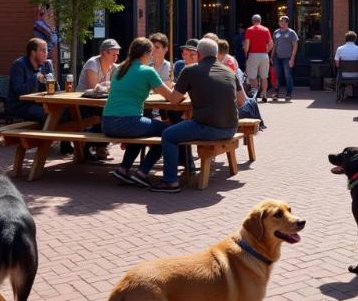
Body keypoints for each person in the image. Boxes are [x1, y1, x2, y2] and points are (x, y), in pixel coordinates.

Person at [151, 38, 246, 193]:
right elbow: (242, 102)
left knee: (168, 135)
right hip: (231, 127)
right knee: (180, 129)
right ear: (216, 54)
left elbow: (174, 100)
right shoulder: (229, 72)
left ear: (198, 54)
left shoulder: (190, 70)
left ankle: (170, 181)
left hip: (208, 126)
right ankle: (187, 167)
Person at [103, 37, 176, 187]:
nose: (152, 56)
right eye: (151, 53)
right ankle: (142, 172)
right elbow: (170, 97)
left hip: (107, 123)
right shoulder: (148, 71)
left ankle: (123, 169)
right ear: (145, 54)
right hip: (128, 122)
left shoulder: (120, 68)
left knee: (143, 131)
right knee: (168, 133)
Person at [76, 38, 121, 161]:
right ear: (103, 53)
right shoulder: (93, 63)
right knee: (107, 116)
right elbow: (93, 87)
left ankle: (100, 148)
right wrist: (108, 85)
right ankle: (88, 147)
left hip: (99, 103)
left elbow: (115, 86)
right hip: (82, 103)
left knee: (112, 115)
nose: (116, 56)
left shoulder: (113, 67)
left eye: (117, 53)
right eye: (113, 53)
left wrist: (106, 85)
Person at [6, 38, 54, 123]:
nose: (46, 53)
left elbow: (54, 90)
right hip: (21, 105)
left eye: (47, 50)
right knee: (50, 116)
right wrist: (35, 78)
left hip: (40, 103)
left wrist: (53, 80)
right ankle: (44, 135)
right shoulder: (19, 65)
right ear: (33, 52)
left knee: (63, 112)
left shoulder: (46, 65)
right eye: (43, 50)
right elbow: (19, 91)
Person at [243, 14, 273, 102]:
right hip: (264, 55)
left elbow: (247, 44)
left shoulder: (249, 30)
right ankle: (264, 94)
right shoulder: (266, 29)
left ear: (252, 21)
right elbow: (271, 44)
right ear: (260, 21)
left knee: (252, 77)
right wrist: (266, 51)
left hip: (253, 54)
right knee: (264, 77)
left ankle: (255, 95)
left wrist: (246, 53)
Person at [271, 15, 299, 101]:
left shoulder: (291, 33)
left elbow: (295, 46)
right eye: (280, 21)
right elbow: (275, 45)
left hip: (287, 58)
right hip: (277, 58)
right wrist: (271, 56)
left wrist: (292, 59)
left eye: (283, 21)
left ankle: (288, 94)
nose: (281, 23)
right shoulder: (276, 32)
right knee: (277, 76)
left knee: (288, 76)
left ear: (287, 23)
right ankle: (276, 93)